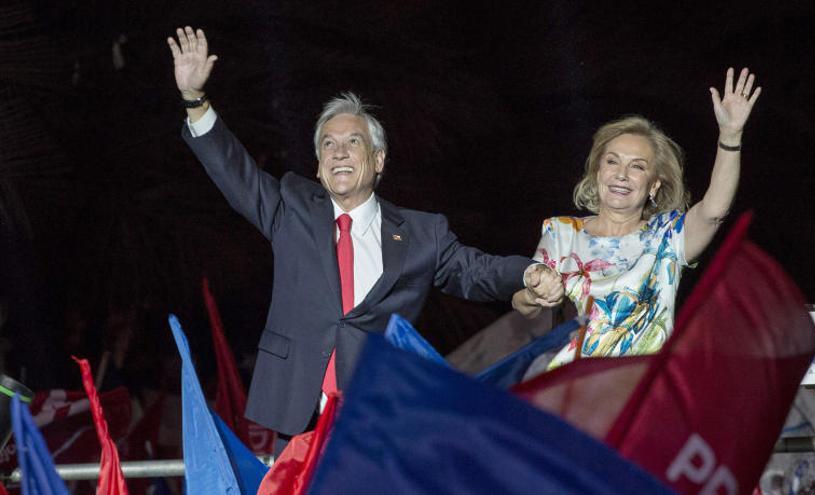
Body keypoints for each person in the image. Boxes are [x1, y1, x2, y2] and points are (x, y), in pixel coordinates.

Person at [166, 27, 564, 442]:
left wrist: (526, 275)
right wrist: (196, 102)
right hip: (295, 416)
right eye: (328, 145)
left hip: (379, 417)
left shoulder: (421, 233)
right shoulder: (291, 207)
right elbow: (235, 173)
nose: (339, 152)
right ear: (318, 167)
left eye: (352, 142)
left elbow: (475, 269)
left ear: (377, 160)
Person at [513, 68, 761, 370]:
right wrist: (530, 296)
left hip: (640, 393)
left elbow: (714, 211)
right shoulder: (561, 232)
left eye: (637, 167)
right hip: (571, 392)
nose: (621, 174)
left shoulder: (667, 236)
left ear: (654, 184)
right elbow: (526, 309)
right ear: (597, 172)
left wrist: (730, 136)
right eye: (612, 161)